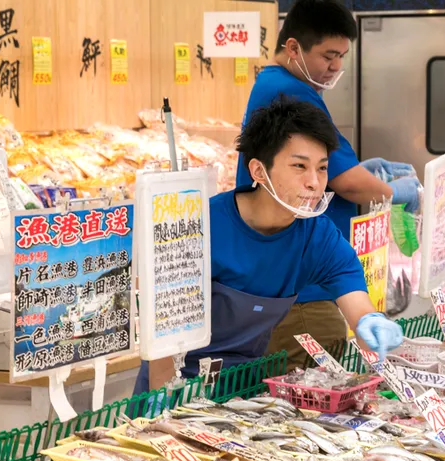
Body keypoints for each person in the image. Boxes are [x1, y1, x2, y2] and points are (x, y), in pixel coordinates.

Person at [133, 98, 404, 394]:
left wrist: (370, 324)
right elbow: (165, 329)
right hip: (174, 383)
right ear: (259, 171)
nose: (314, 183)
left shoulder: (318, 236)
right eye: (299, 166)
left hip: (243, 386)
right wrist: (161, 404)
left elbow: (357, 307)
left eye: (322, 168)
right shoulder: (200, 227)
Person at [238, 0, 422, 370]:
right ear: (293, 48)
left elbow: (342, 175)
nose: (336, 66)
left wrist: (360, 171)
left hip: (301, 273)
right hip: (300, 289)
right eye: (328, 55)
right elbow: (347, 183)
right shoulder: (288, 91)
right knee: (306, 391)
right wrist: (395, 192)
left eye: (342, 56)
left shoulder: (282, 85)